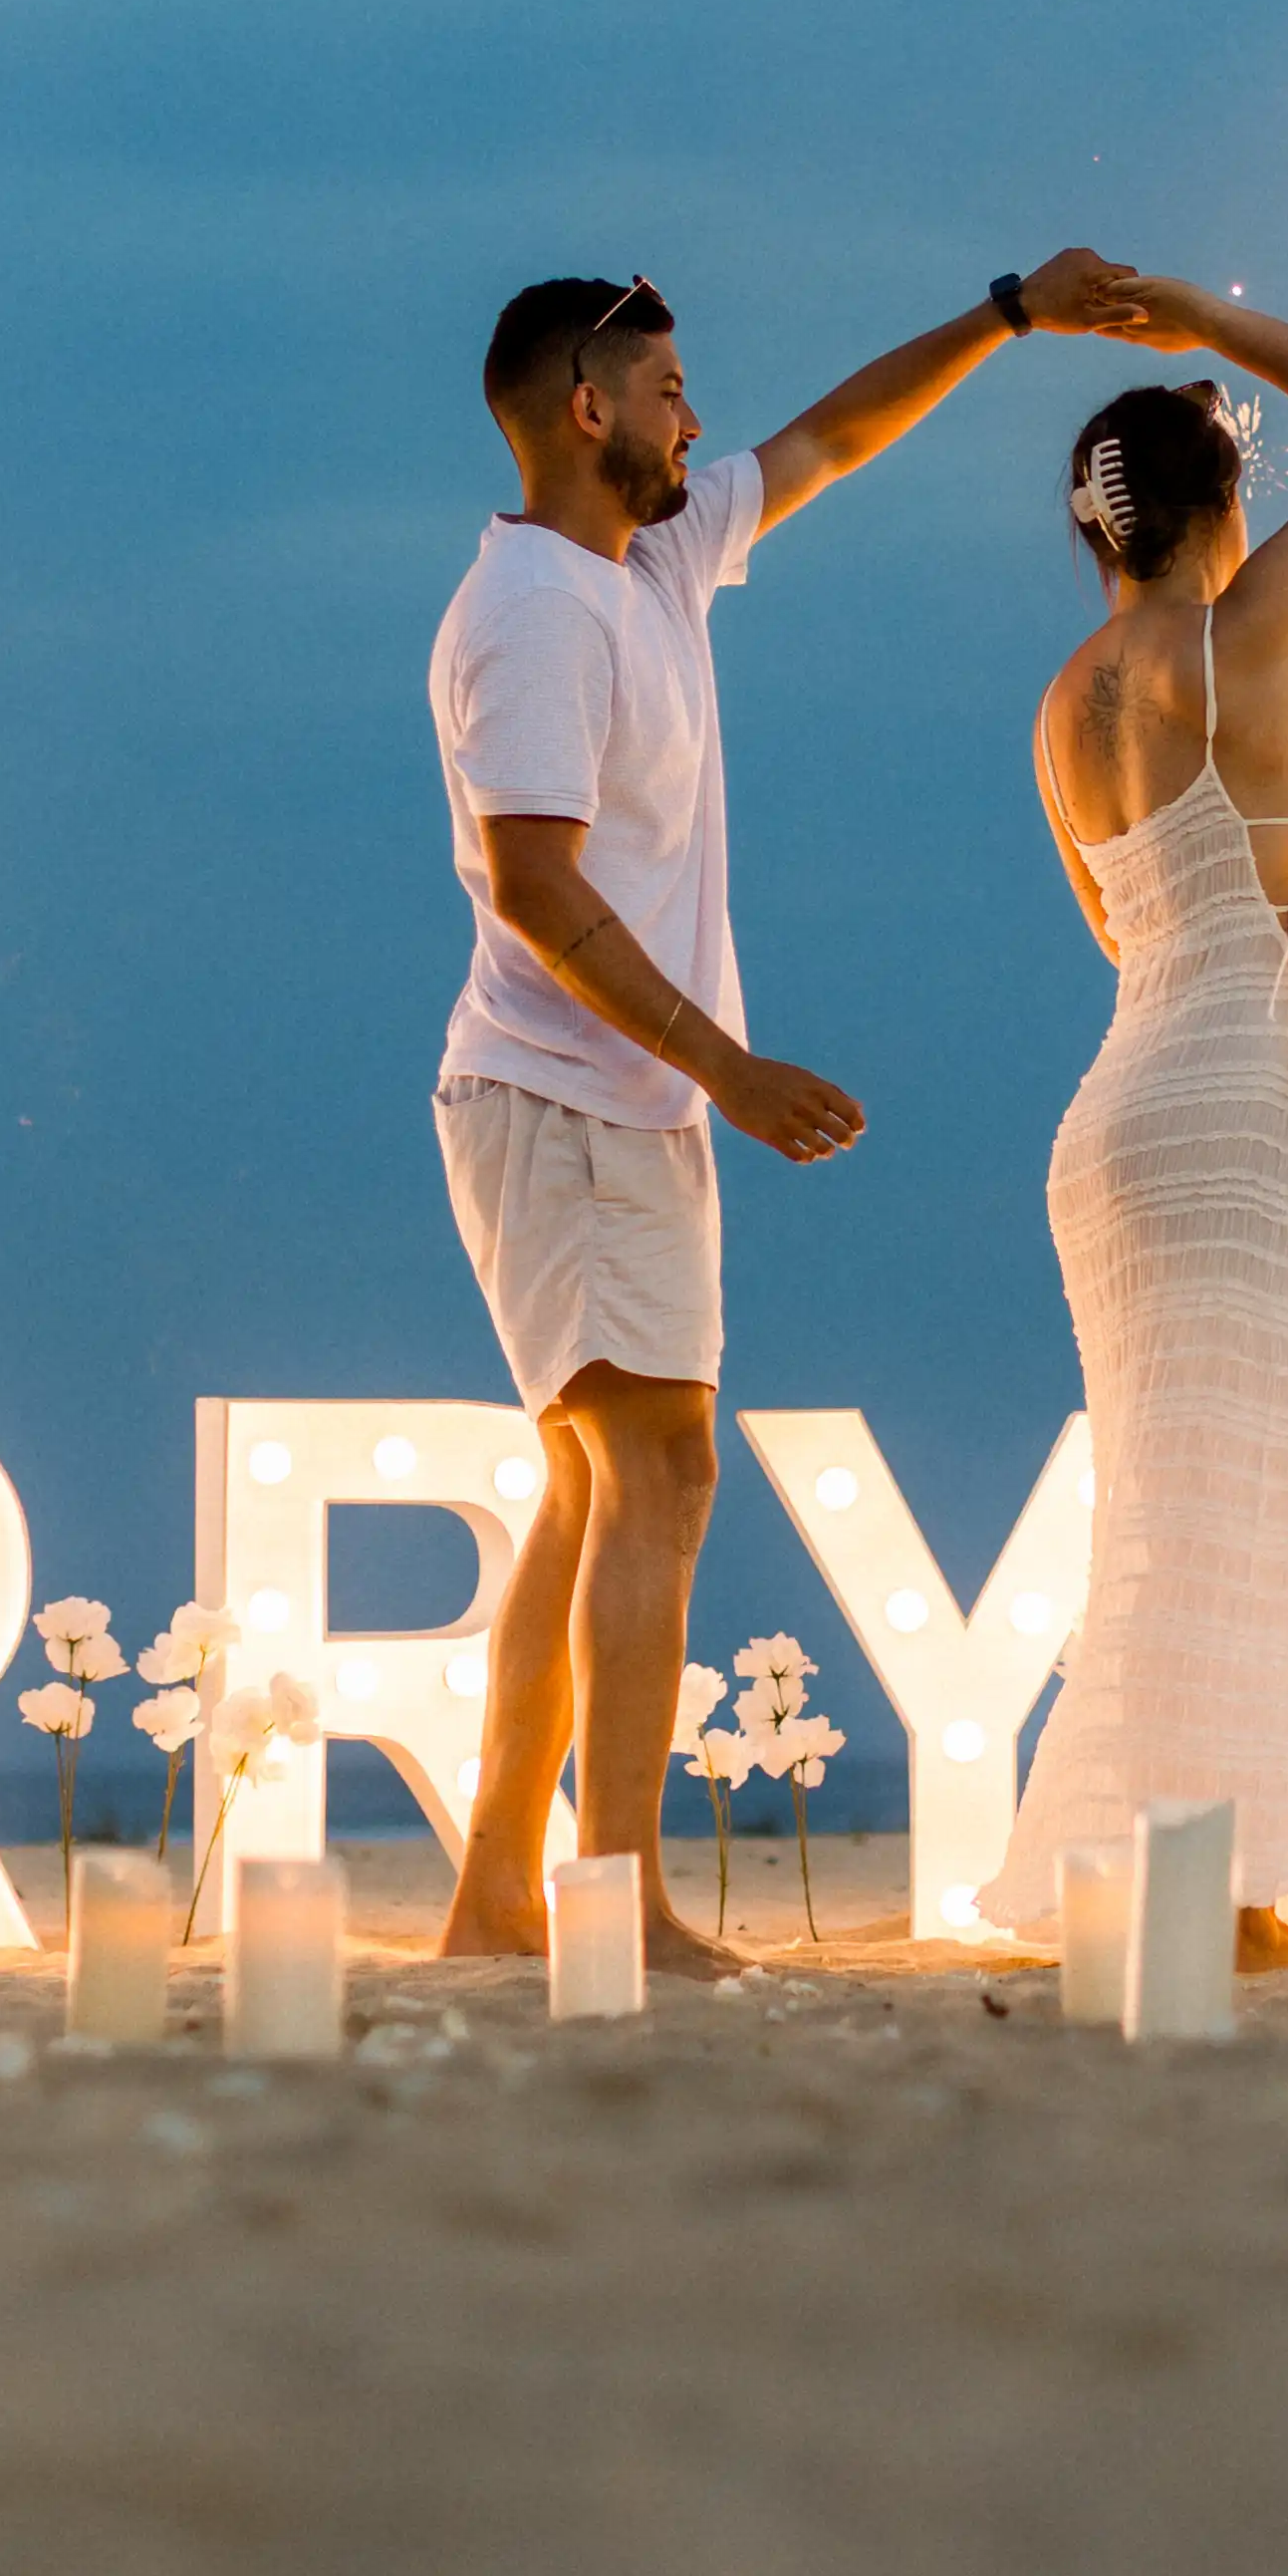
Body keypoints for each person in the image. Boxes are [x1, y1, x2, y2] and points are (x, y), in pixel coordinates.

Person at [429, 251, 1150, 1969]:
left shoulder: (653, 562)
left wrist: (1006, 317)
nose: (698, 416)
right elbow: (536, 886)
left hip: (615, 1103)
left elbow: (828, 443)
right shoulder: (531, 613)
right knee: (658, 1470)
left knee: (592, 1487)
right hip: (569, 1090)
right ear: (586, 409)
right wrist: (725, 1064)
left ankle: (498, 1904)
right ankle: (613, 1902)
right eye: (669, 388)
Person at [984, 282, 1288, 1967]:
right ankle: (1228, 1892)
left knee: (1175, 1505)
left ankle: (1190, 1869)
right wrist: (1187, 309)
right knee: (1243, 1500)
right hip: (1236, 1132)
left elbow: (1145, 929)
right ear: (1225, 506)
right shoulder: (1247, 640)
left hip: (1124, 1122)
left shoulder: (1068, 701)